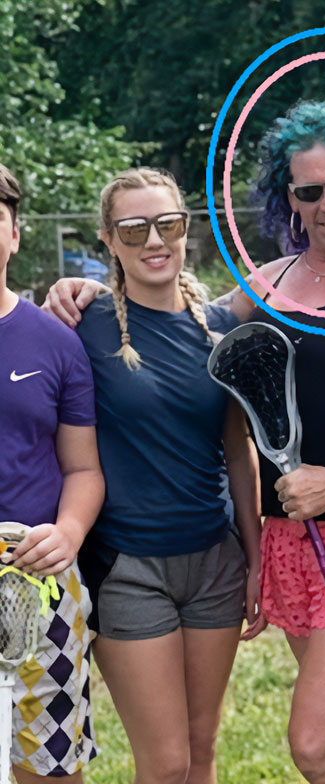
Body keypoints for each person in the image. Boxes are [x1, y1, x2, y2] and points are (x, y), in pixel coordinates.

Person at [45, 102, 325, 784]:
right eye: (309, 190)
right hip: (294, 538)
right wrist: (79, 289)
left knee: (319, 744)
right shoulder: (266, 288)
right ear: (288, 199)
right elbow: (187, 333)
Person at [49, 167, 265, 784]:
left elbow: (239, 450)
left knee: (202, 749)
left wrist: (254, 557)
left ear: (186, 228)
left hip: (214, 565)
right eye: (133, 227)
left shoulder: (220, 330)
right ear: (108, 241)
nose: (154, 240)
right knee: (166, 763)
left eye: (167, 223)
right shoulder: (80, 327)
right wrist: (59, 293)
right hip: (128, 569)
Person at [0, 162, 104, 783]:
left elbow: (83, 467)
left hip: (37, 577)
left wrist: (67, 533)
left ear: (14, 235)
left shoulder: (54, 341)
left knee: (49, 769)